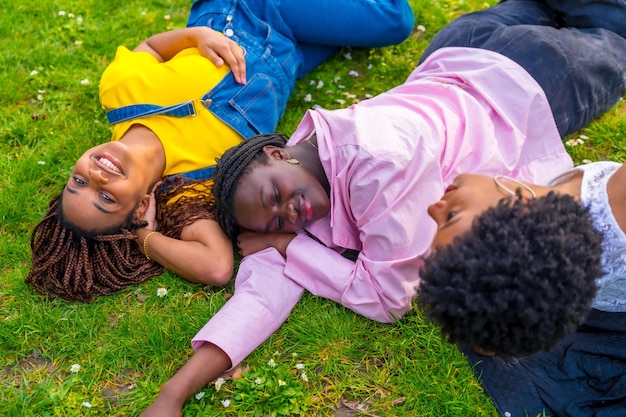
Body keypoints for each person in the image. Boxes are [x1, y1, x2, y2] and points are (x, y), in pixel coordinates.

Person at [137, 0, 626, 414]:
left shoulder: (380, 165)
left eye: (273, 198)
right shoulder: (304, 188)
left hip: (529, 78)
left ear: (275, 152)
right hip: (454, 50)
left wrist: (288, 246)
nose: (289, 216)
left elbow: (389, 297)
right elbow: (261, 295)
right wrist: (173, 393)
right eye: (275, 221)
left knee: (614, 25)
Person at [25, 0, 416, 302]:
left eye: (78, 181)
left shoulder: (121, 94)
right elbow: (216, 268)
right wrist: (145, 238)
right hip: (288, 54)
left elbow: (149, 47)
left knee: (393, 18)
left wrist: (195, 37)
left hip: (250, 9)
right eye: (107, 198)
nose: (96, 176)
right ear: (141, 205)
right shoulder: (189, 186)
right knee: (364, 26)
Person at [419, 165, 626, 417]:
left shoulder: (555, 271)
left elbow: (487, 346)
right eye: (452, 215)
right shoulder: (618, 198)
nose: (433, 209)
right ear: (522, 208)